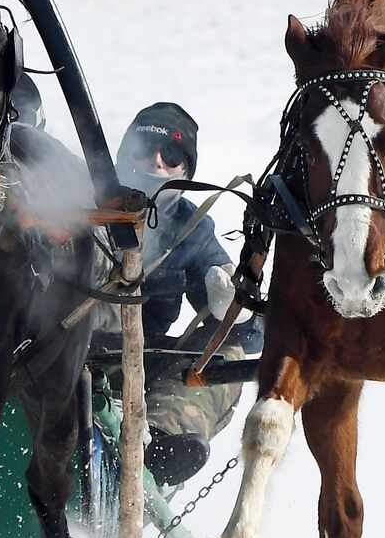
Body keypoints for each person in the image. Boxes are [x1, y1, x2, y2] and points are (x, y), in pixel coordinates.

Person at [102, 102, 264, 487]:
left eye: (172, 155)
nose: (157, 163)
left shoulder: (192, 229)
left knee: (227, 352)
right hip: (54, 352)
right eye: (145, 149)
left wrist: (237, 312)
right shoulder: (77, 201)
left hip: (139, 367)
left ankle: (159, 439)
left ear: (186, 169)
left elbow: (254, 337)